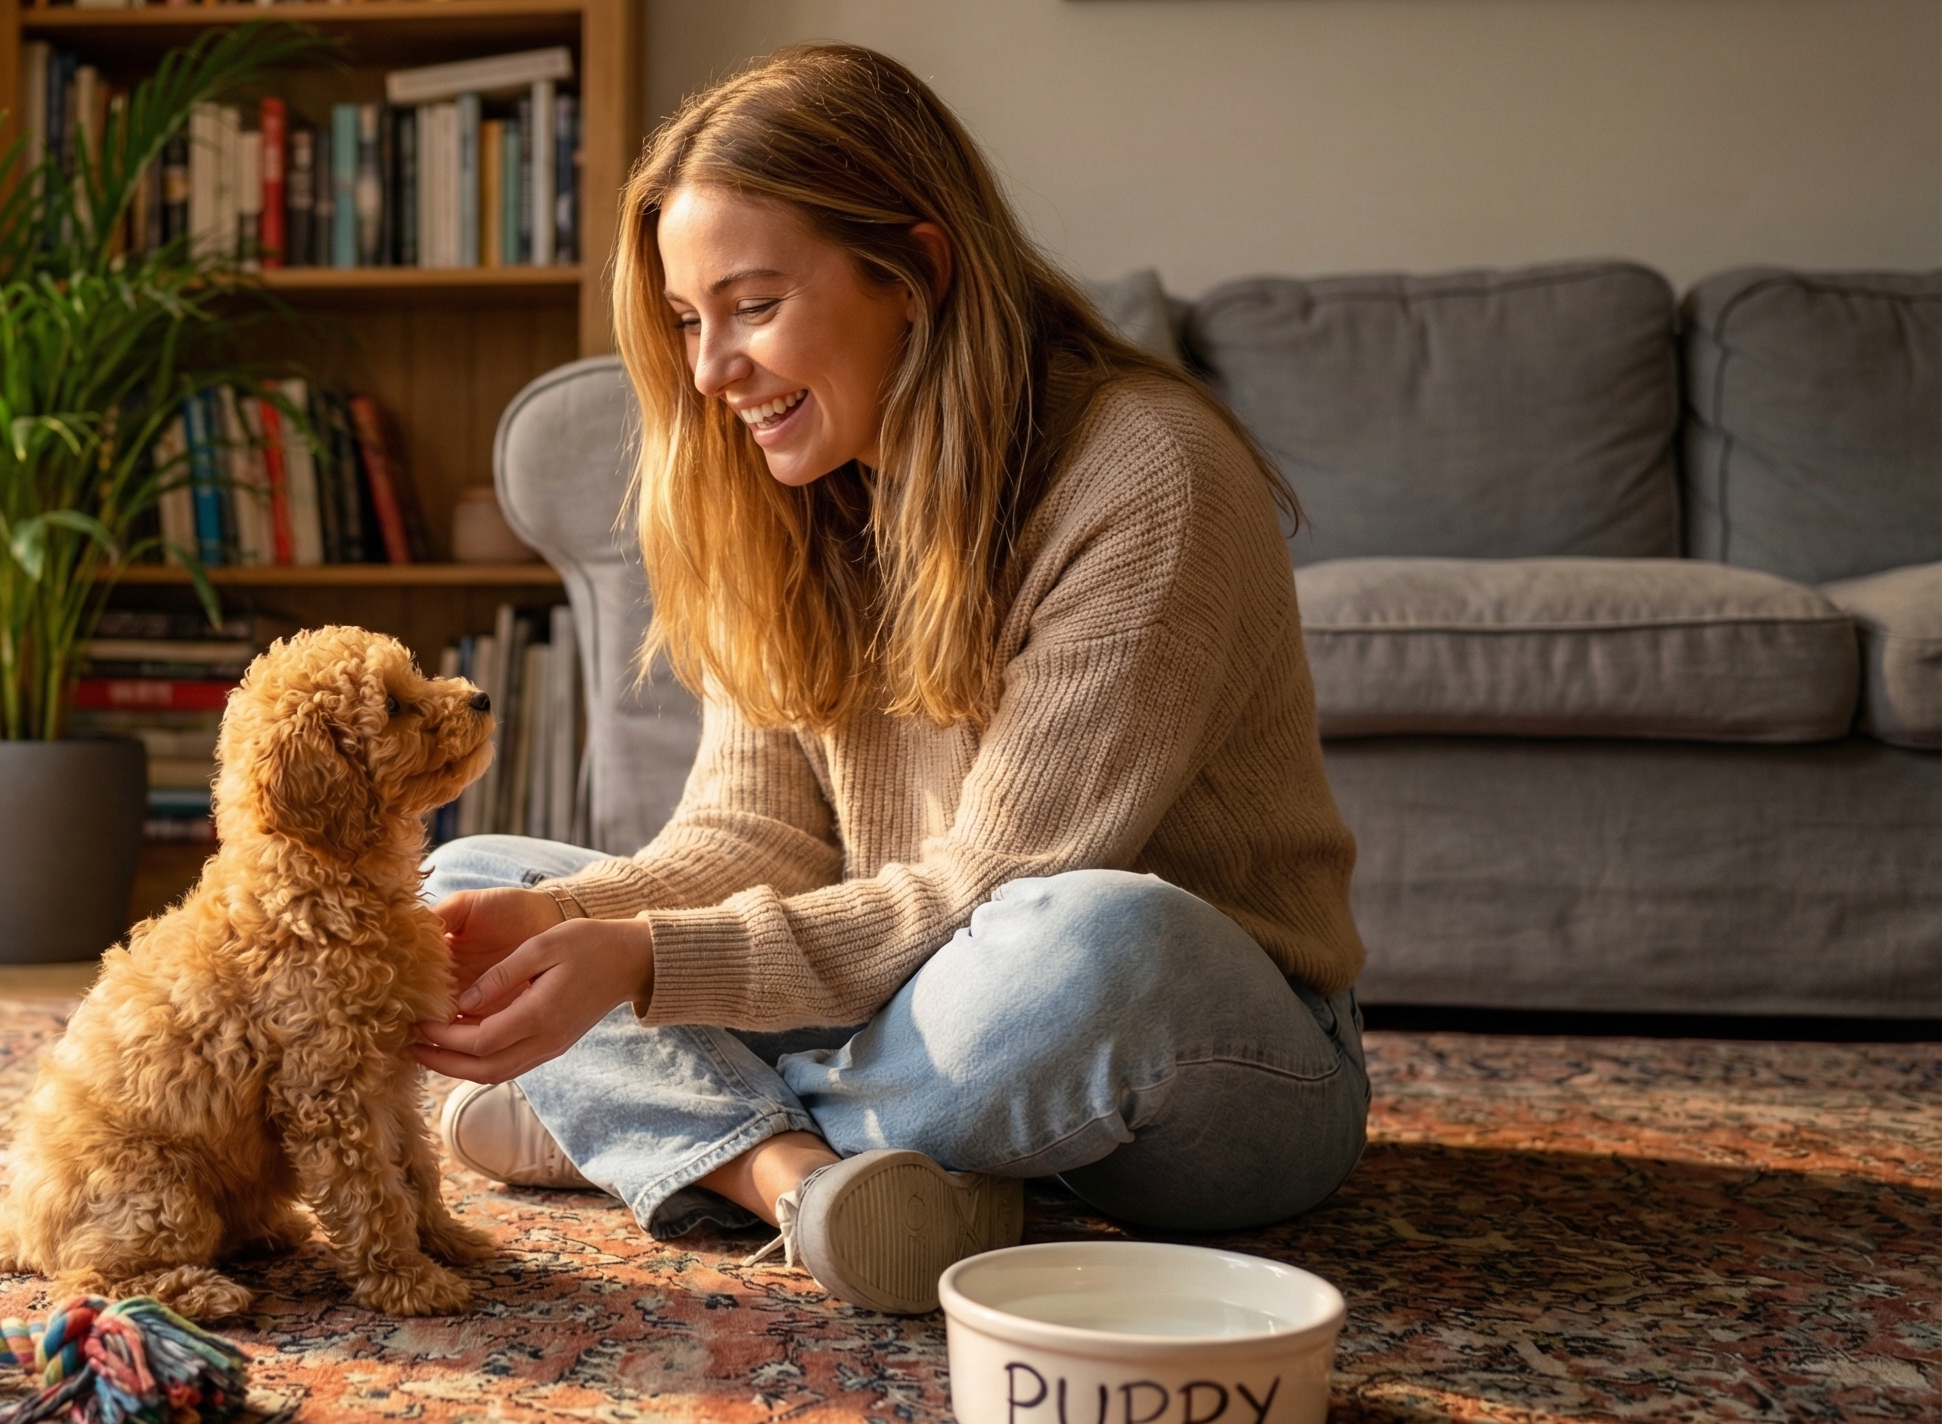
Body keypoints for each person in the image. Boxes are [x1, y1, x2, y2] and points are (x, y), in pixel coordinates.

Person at [411, 43, 1368, 1316]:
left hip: (1186, 1056)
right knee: (476, 885)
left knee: (1092, 939)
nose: (709, 373)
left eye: (752, 307)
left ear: (915, 268)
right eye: (690, 322)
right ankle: (818, 1181)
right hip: (909, 1011)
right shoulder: (795, 496)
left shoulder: (1146, 473)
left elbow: (996, 891)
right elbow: (748, 838)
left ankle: (668, 1135)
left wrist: (638, 969)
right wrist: (575, 926)